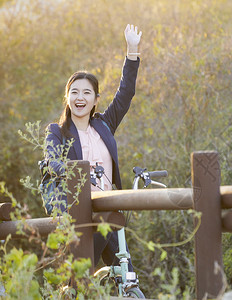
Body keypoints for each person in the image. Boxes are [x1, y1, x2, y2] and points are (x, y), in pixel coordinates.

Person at [44, 24, 142, 282]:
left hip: (108, 209)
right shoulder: (57, 132)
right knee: (81, 276)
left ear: (95, 99)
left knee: (126, 275)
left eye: (86, 92)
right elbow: (51, 162)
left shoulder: (104, 125)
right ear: (67, 98)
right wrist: (75, 170)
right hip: (79, 213)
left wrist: (132, 51)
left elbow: (126, 94)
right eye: (74, 92)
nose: (80, 97)